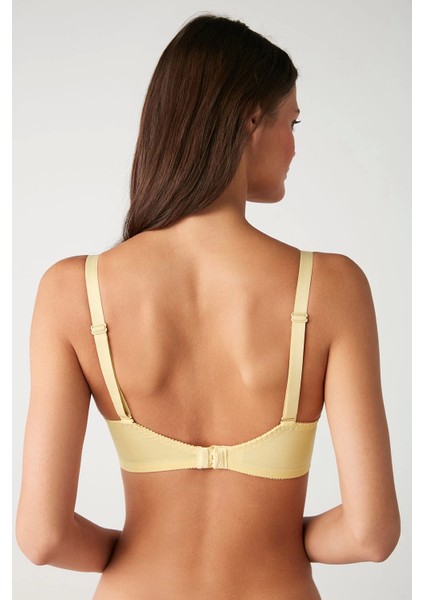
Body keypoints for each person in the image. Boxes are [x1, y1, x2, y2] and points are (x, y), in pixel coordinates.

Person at [16, 12, 400, 600]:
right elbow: (371, 534)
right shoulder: (331, 287)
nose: (295, 146)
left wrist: (138, 550)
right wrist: (275, 539)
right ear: (251, 119)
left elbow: (42, 538)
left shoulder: (73, 291)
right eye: (292, 121)